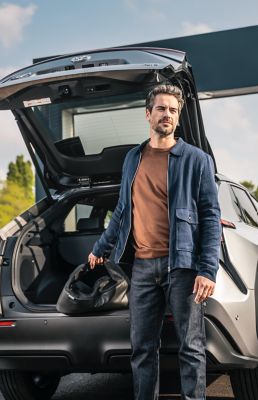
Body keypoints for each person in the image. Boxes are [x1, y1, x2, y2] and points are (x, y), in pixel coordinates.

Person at [88, 84, 221, 400]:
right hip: (143, 268)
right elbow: (122, 210)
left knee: (191, 345)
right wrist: (100, 248)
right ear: (148, 114)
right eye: (161, 108)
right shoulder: (133, 158)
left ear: (178, 117)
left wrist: (208, 270)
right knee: (143, 348)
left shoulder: (196, 160)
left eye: (173, 110)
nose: (168, 115)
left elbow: (210, 217)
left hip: (183, 267)